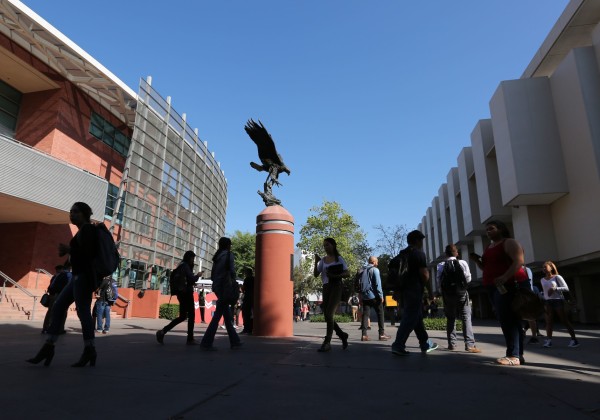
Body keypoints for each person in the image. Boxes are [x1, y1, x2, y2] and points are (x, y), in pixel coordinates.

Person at [27, 202, 100, 367]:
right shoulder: (82, 231)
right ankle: (49, 347)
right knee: (59, 306)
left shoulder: (88, 229)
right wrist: (68, 255)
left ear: (84, 214)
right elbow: (81, 254)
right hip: (76, 277)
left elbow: (89, 254)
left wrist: (69, 249)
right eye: (71, 212)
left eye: (75, 212)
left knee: (83, 313)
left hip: (83, 278)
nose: (71, 215)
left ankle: (90, 349)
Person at [469, 220, 529, 366]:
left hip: (509, 285)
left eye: (492, 228)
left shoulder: (509, 242)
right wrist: (478, 261)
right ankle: (517, 354)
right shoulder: (489, 246)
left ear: (501, 229)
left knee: (509, 320)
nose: (488, 231)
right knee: (506, 319)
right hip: (493, 286)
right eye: (487, 229)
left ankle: (513, 355)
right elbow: (488, 268)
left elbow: (518, 261)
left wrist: (504, 277)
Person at [391, 230, 438, 356]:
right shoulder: (418, 254)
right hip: (415, 289)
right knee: (410, 317)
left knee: (416, 317)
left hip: (404, 290)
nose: (422, 243)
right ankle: (398, 344)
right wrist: (430, 290)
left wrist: (397, 291)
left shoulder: (402, 254)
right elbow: (424, 274)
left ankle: (425, 343)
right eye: (421, 240)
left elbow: (398, 274)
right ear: (418, 240)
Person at [436, 244, 481, 353]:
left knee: (451, 318)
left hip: (448, 295)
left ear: (446, 254)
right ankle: (469, 345)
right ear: (456, 253)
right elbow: (468, 278)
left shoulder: (441, 265)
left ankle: (452, 344)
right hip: (461, 293)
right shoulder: (462, 263)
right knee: (466, 317)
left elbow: (439, 281)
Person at [200, 237, 243, 350]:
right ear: (228, 245)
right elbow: (232, 273)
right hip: (225, 287)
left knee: (225, 314)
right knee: (219, 315)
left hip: (218, 287)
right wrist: (233, 284)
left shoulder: (217, 257)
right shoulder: (229, 255)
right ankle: (206, 342)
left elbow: (213, 275)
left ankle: (235, 341)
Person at [156, 251, 202, 345]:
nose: (193, 261)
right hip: (187, 294)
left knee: (182, 316)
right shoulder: (185, 266)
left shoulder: (181, 265)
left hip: (180, 294)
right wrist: (197, 275)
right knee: (191, 315)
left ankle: (163, 332)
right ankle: (190, 339)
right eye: (192, 258)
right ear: (189, 258)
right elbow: (191, 280)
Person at [313, 237, 350, 352]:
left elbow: (347, 273)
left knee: (329, 313)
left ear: (333, 245)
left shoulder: (339, 259)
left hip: (336, 287)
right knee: (327, 315)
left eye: (327, 245)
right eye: (324, 245)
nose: (325, 247)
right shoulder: (323, 260)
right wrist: (316, 261)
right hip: (326, 287)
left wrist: (336, 276)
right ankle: (342, 335)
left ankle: (327, 342)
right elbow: (315, 274)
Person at [540, 261, 580, 348]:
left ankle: (574, 340)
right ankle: (549, 341)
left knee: (564, 320)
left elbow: (566, 288)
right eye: (542, 267)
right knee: (549, 322)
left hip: (558, 300)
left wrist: (555, 288)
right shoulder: (542, 280)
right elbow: (545, 292)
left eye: (545, 267)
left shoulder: (557, 277)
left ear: (551, 267)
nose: (543, 269)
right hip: (548, 302)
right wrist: (542, 295)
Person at [357, 256, 391, 342]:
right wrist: (381, 296)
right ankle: (381, 334)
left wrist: (360, 296)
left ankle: (364, 335)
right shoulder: (375, 270)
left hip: (365, 296)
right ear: (374, 262)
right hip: (374, 296)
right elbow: (378, 285)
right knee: (380, 314)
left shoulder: (361, 270)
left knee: (365, 315)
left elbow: (358, 285)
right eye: (377, 262)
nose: (378, 263)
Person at [42, 264, 71, 334]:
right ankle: (59, 329)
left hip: (53, 295)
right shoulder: (68, 275)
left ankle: (46, 328)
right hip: (61, 295)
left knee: (51, 312)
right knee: (62, 312)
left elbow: (50, 286)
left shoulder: (55, 276)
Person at [240, 267, 254, 334]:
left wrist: (241, 287)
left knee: (246, 313)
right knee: (252, 314)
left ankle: (246, 329)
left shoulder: (247, 279)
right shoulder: (254, 279)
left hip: (247, 298)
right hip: (253, 298)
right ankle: (251, 328)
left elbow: (243, 289)